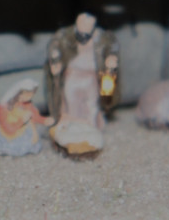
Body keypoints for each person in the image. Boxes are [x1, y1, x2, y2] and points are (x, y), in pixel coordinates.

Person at [46, 11, 117, 155]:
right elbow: (54, 44)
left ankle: (91, 130)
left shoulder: (102, 37)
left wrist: (111, 57)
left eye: (87, 28)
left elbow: (113, 45)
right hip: (73, 74)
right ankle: (73, 131)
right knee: (71, 103)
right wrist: (55, 58)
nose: (83, 34)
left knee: (92, 104)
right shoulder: (65, 35)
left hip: (91, 76)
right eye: (81, 27)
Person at [0, 77, 51, 156]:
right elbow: (9, 128)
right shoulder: (4, 108)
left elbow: (34, 116)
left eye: (30, 96)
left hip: (23, 131)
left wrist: (44, 120)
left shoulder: (26, 103)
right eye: (27, 95)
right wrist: (22, 121)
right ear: (18, 94)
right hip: (9, 135)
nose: (28, 98)